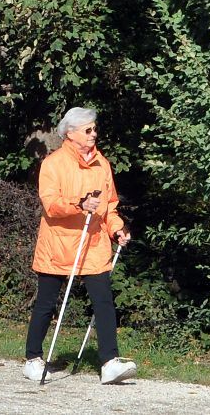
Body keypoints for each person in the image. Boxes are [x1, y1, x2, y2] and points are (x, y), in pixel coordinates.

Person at [22, 106, 137, 385]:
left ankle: (109, 362)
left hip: (93, 243)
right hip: (58, 244)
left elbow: (109, 206)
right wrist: (80, 205)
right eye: (88, 129)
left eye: (94, 128)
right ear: (70, 133)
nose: (93, 134)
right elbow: (51, 204)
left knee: (103, 302)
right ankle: (33, 358)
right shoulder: (53, 163)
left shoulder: (102, 164)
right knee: (46, 305)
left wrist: (117, 228)